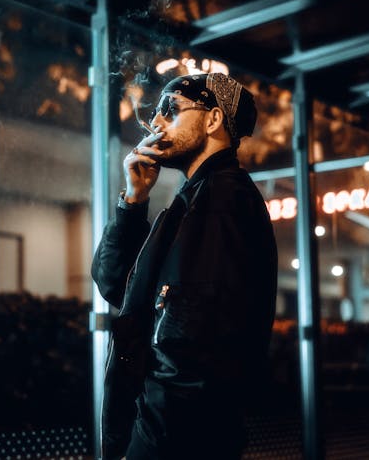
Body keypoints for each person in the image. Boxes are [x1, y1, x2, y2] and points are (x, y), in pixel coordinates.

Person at [91, 72, 278, 460]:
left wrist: (146, 443)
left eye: (170, 109)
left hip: (175, 441)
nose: (156, 123)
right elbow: (116, 285)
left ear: (212, 120)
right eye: (155, 113)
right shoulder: (192, 202)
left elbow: (190, 349)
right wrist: (134, 199)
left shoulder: (222, 201)